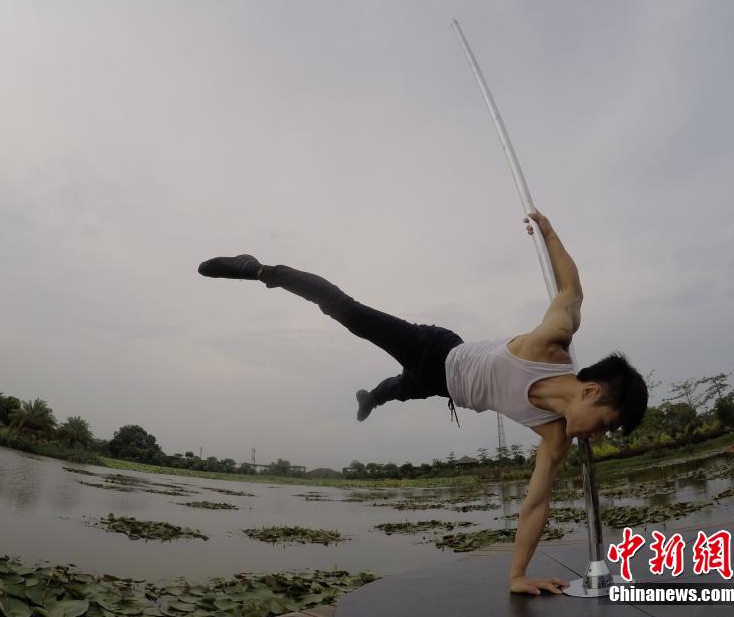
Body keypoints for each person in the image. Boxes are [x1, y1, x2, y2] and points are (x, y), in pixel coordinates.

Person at [197, 210, 648, 596]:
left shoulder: (555, 436)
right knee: (346, 311)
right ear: (591, 391)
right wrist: (548, 233)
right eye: (604, 423)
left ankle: (370, 398)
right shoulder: (551, 343)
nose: (598, 435)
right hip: (435, 351)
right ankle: (259, 269)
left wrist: (517, 576)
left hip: (445, 388)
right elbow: (571, 290)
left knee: (397, 389)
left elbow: (535, 504)